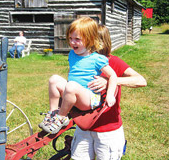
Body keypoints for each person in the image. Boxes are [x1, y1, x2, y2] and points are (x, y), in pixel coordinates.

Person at [70, 24, 147, 160]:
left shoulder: (113, 62)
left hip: (108, 129)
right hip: (83, 126)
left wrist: (111, 80)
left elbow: (141, 80)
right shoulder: (80, 59)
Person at [39, 17, 118, 134]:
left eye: (77, 39)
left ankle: (61, 118)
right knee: (54, 79)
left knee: (71, 86)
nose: (72, 42)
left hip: (89, 99)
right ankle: (53, 113)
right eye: (70, 38)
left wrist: (110, 95)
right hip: (74, 92)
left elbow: (113, 76)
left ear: (90, 39)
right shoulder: (72, 54)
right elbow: (73, 73)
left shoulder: (97, 59)